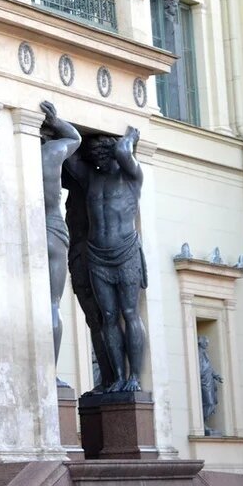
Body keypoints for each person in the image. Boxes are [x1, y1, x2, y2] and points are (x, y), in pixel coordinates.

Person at [64, 127, 146, 393]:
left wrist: (130, 137)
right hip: (98, 256)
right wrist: (57, 123)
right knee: (108, 315)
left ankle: (134, 376)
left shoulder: (131, 177)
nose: (98, 158)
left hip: (125, 252)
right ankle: (119, 376)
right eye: (95, 154)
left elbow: (124, 151)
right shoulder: (92, 179)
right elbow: (72, 156)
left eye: (103, 153)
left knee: (130, 313)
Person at [40, 101, 81, 387]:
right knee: (52, 303)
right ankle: (49, 373)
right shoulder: (52, 153)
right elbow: (75, 138)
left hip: (22, 229)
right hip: (53, 228)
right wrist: (56, 121)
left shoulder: (7, 151)